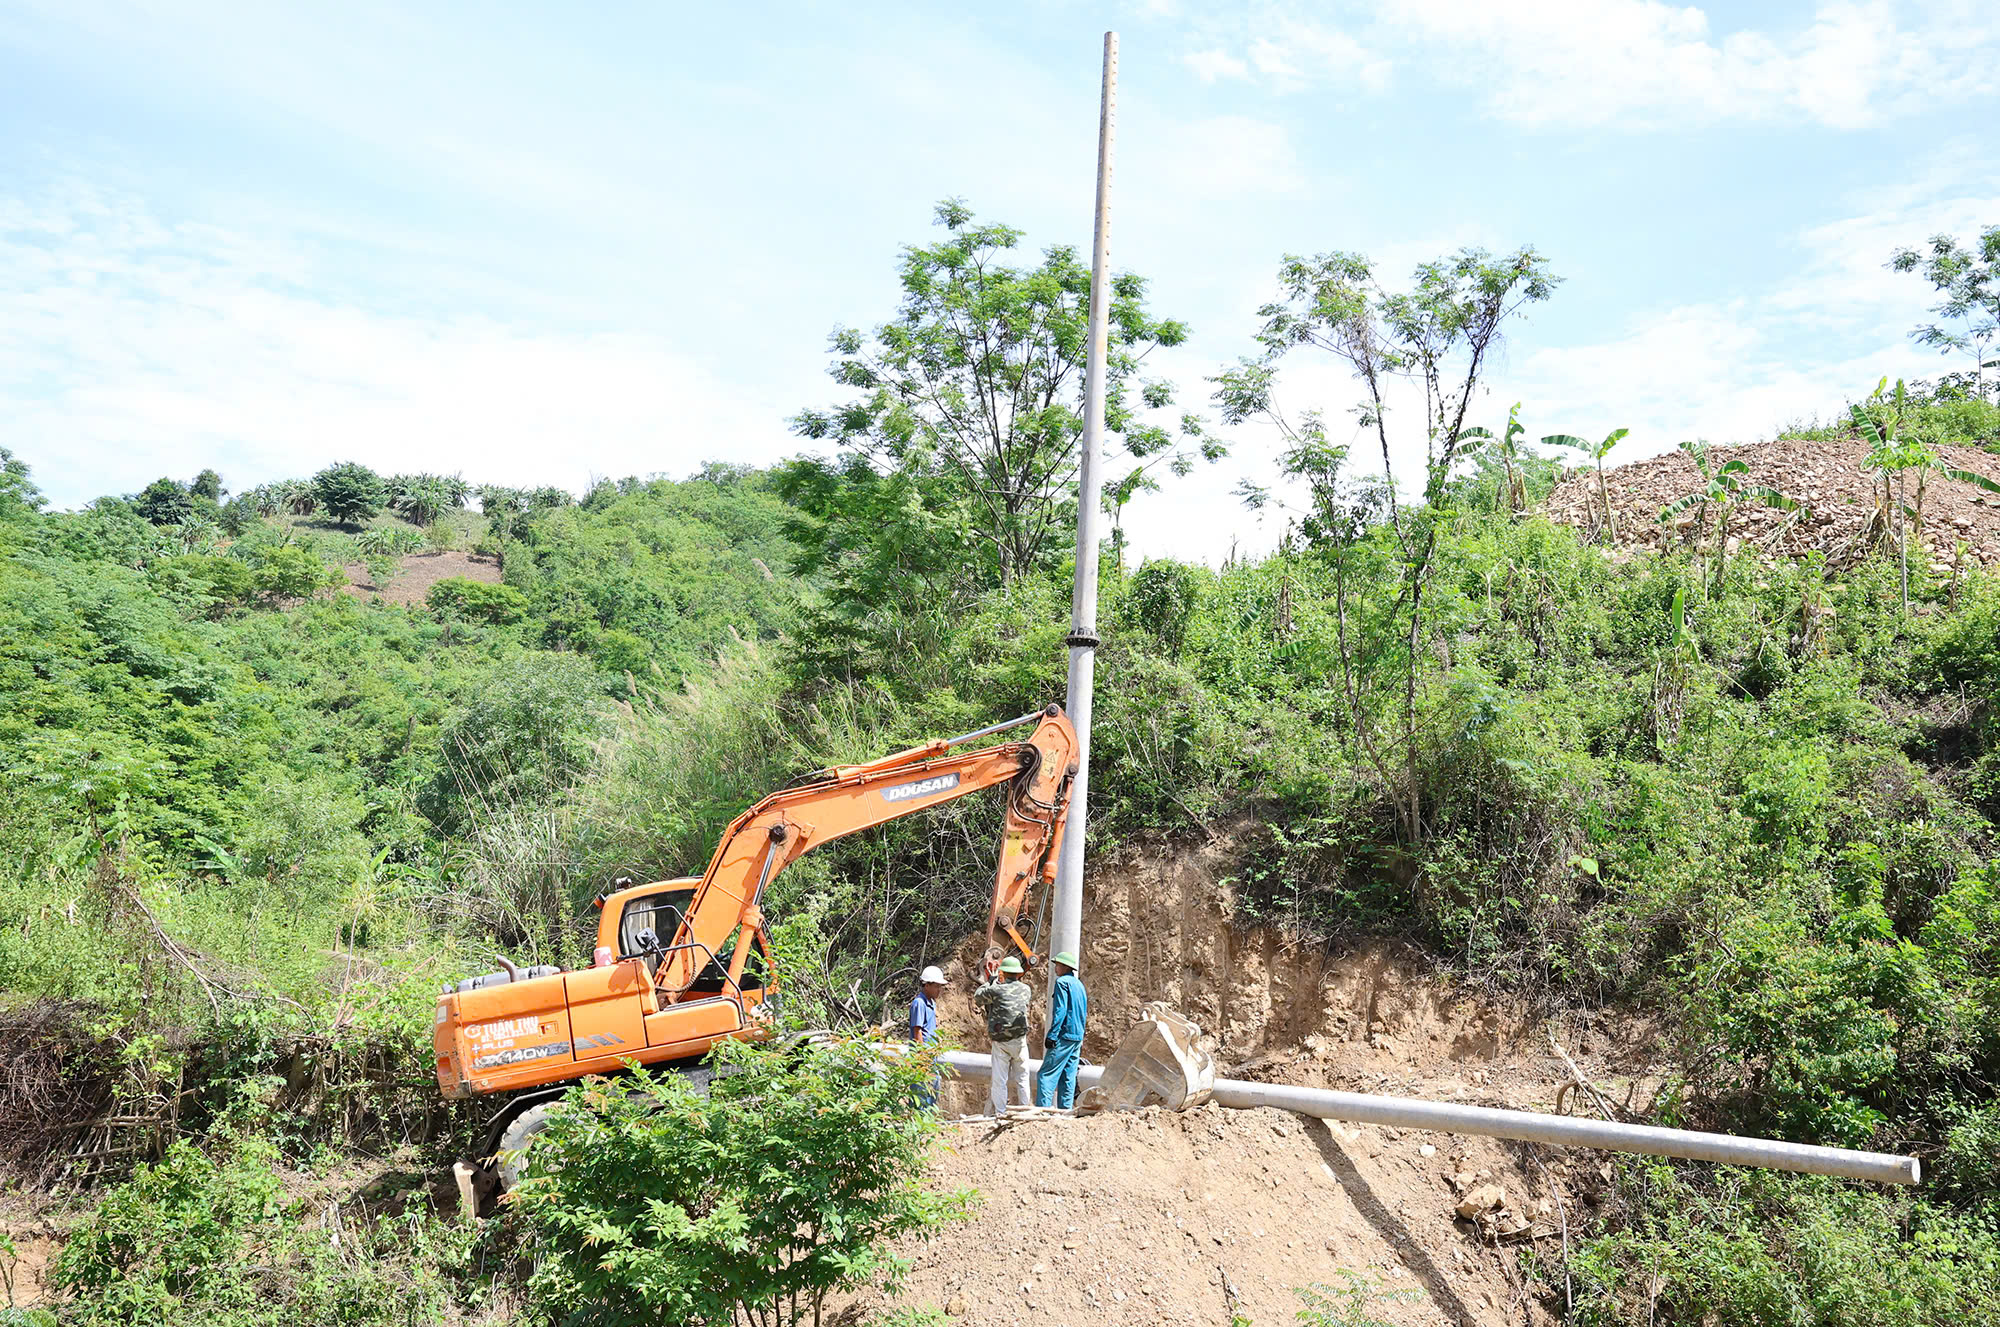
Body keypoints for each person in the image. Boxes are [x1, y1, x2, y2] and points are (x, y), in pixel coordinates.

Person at [972, 953, 1032, 1115]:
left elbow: (978, 997)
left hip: (1001, 1042)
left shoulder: (996, 990)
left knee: (999, 1080)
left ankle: (1000, 1112)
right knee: (1023, 1078)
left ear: (1003, 972)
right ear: (1019, 973)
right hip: (1020, 1041)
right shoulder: (1026, 989)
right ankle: (1025, 1110)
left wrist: (990, 981)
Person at [1034, 950, 1087, 1109]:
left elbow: (1060, 1011)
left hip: (1064, 1035)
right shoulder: (1079, 985)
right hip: (1076, 1037)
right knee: (1068, 1077)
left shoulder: (1062, 983)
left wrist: (1052, 1035)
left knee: (1045, 1075)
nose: (1055, 968)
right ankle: (1065, 1111)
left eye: (1057, 964)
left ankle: (1042, 1111)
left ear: (1064, 966)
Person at [908, 964, 946, 1107]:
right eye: (936, 986)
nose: (939, 990)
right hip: (922, 1057)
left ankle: (928, 1122)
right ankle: (918, 1123)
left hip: (931, 1055)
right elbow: (917, 1031)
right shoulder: (919, 1003)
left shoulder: (930, 1003)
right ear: (927, 985)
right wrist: (922, 1057)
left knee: (932, 1091)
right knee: (921, 1093)